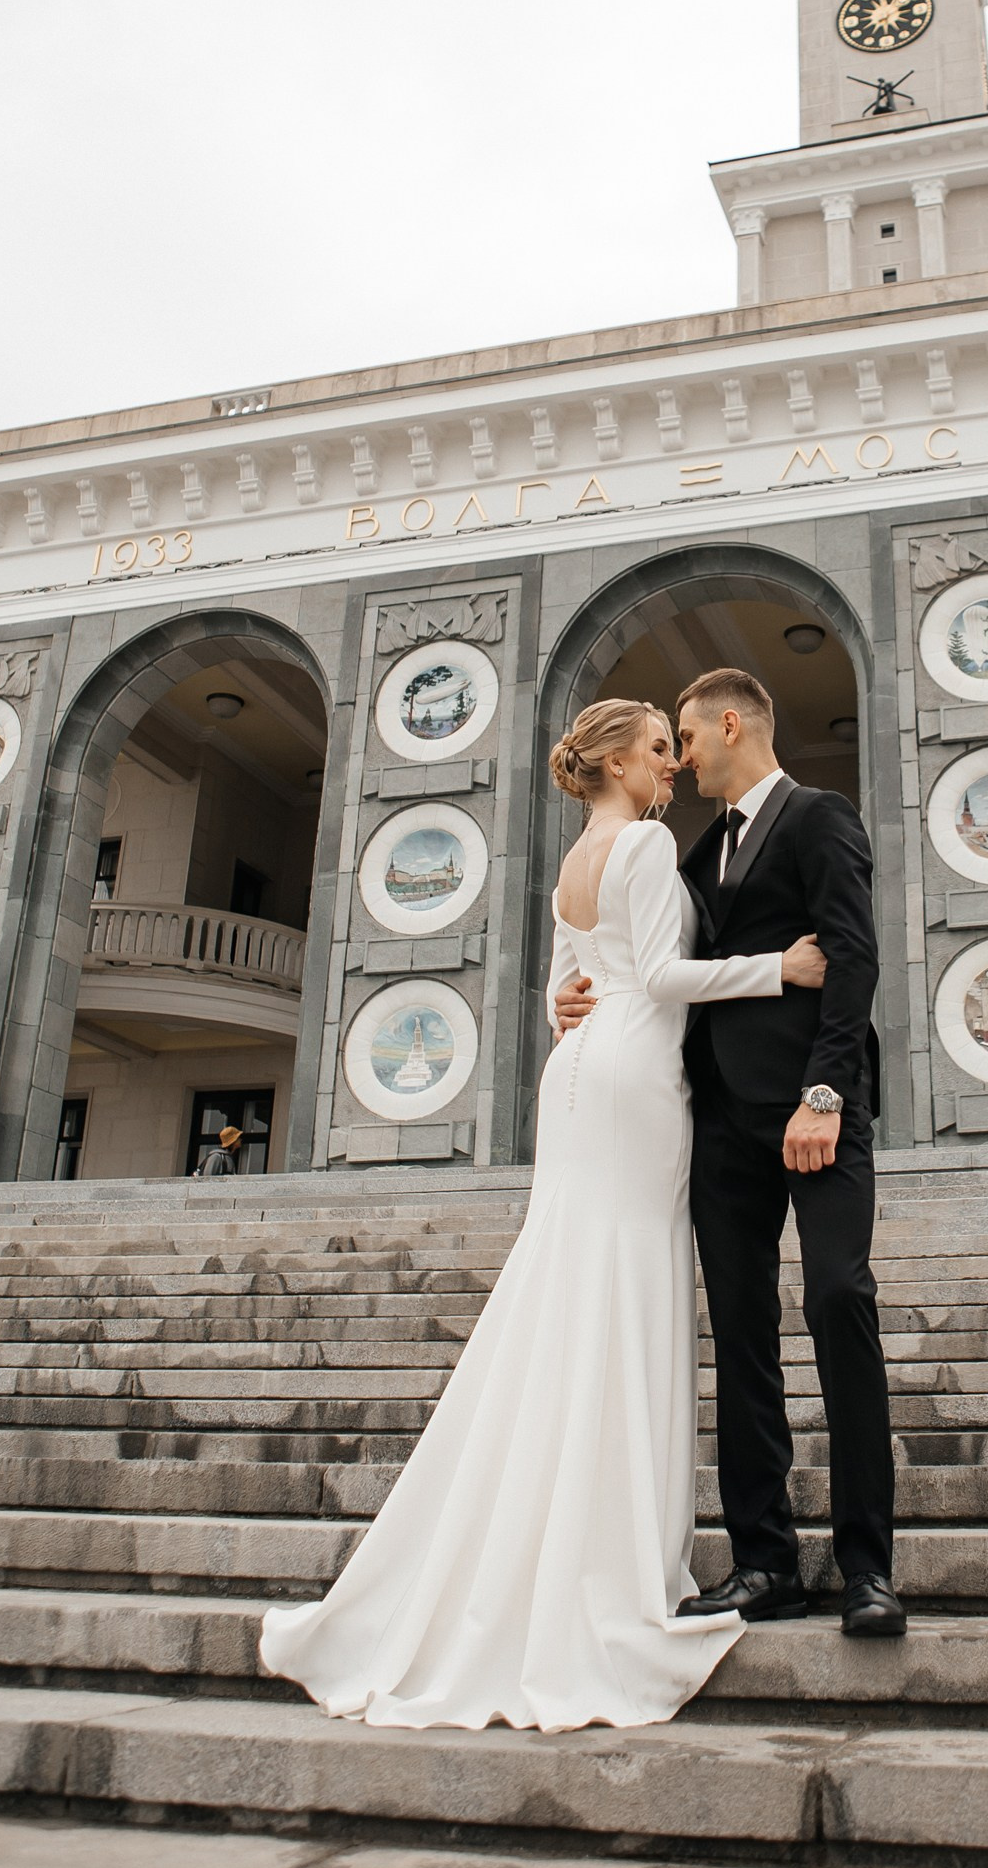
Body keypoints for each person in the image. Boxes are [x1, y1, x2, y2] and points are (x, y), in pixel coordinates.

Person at [258, 698, 829, 1732]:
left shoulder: (576, 856)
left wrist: (579, 1001)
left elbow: (572, 984)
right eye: (658, 749)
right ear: (616, 759)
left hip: (575, 1072)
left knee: (568, 1292)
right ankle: (604, 1567)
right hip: (632, 1080)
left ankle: (547, 1544)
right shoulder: (647, 843)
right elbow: (656, 977)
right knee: (623, 1298)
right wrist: (777, 968)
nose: (672, 764)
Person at [556, 665, 902, 1639]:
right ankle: (763, 1562)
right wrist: (576, 992)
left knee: (838, 1299)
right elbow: (656, 965)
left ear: (730, 720)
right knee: (743, 1338)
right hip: (717, 1126)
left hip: (815, 1111)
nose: (681, 753)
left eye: (686, 734)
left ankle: (866, 1565)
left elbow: (852, 956)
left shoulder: (819, 815)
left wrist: (825, 1093)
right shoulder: (689, 853)